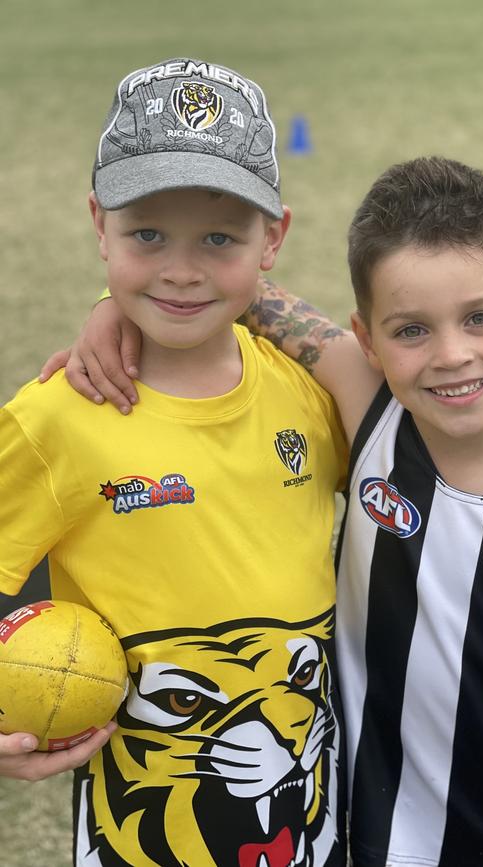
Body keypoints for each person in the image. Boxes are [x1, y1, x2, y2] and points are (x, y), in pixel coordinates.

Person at [41, 157, 483, 866]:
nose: (451, 355)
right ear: (366, 338)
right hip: (373, 841)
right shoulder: (371, 414)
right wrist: (113, 306)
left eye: (480, 317)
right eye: (411, 330)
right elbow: (224, 282)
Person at [0, 57, 351, 867]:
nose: (182, 269)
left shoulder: (311, 400)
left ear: (276, 239)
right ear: (98, 224)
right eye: (147, 233)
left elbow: (441, 434)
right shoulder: (58, 417)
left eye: (220, 237)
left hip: (310, 830)